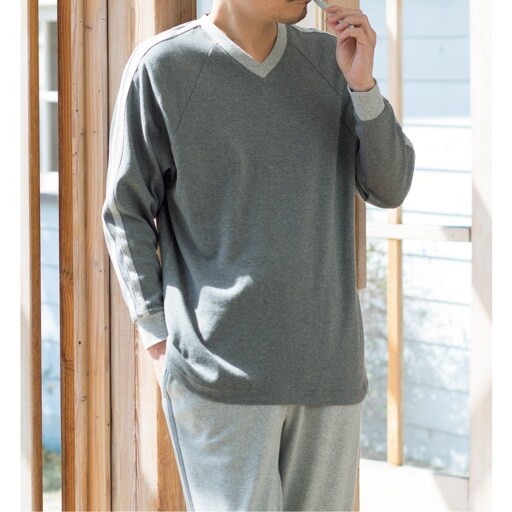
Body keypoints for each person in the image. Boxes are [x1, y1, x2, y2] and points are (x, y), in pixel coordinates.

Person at [102, 0, 415, 510]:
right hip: (219, 378)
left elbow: (390, 186)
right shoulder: (164, 67)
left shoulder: (331, 61)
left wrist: (362, 86)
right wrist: (159, 342)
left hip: (328, 374)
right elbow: (125, 211)